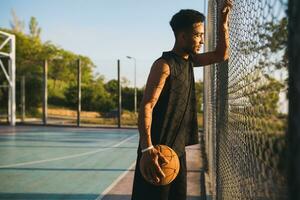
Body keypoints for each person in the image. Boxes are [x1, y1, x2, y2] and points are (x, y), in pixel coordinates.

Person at [131, 1, 233, 200]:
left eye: (203, 35)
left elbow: (222, 54)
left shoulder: (190, 61)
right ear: (182, 36)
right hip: (157, 152)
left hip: (177, 153)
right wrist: (147, 149)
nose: (202, 40)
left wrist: (223, 21)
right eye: (198, 35)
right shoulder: (164, 65)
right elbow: (147, 105)